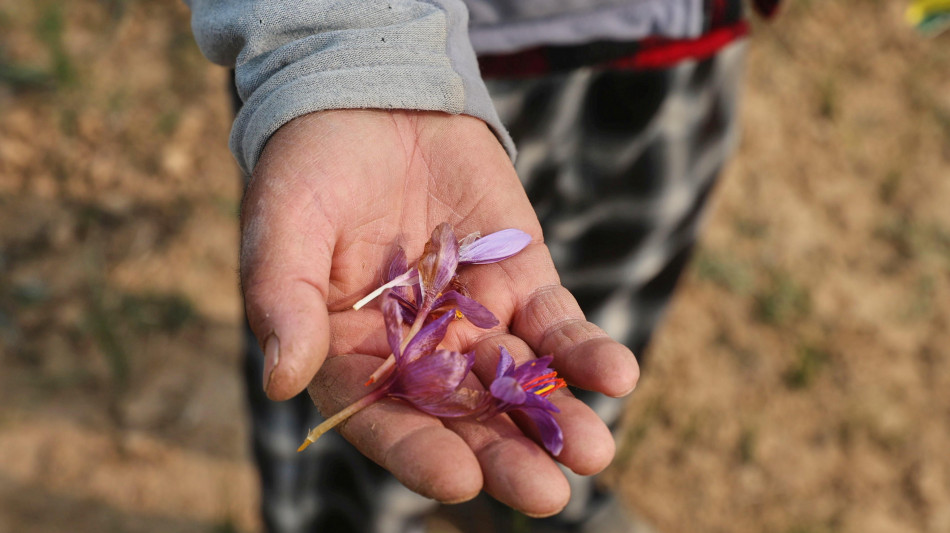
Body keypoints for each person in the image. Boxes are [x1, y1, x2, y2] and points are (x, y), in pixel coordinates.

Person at [185, 1, 780, 531]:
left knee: (586, 323)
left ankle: (558, 499)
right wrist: (340, 43)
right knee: (340, 370)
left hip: (668, 43)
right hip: (399, 57)